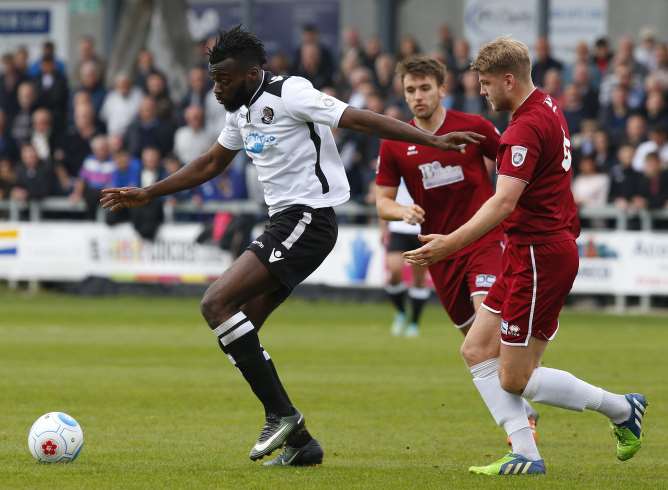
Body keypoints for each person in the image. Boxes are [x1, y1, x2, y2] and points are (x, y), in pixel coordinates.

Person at [100, 26, 483, 467]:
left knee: (215, 303)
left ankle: (281, 414)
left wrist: (431, 140)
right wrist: (150, 192)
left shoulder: (291, 92)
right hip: (286, 222)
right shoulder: (240, 112)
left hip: (309, 218)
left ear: (250, 73)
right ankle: (300, 441)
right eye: (213, 78)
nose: (217, 87)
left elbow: (355, 117)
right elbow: (211, 162)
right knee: (238, 328)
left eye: (223, 78)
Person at [404, 37, 647, 476]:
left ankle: (620, 409)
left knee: (515, 377)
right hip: (528, 252)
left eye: (486, 82)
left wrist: (449, 244)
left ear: (508, 79)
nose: (482, 91)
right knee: (477, 349)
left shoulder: (523, 129)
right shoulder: (546, 105)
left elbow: (502, 204)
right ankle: (526, 455)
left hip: (539, 256)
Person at [376, 55, 539, 437]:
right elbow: (381, 200)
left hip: (484, 240)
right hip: (441, 252)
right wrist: (402, 210)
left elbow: (512, 165)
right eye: (410, 90)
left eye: (425, 88)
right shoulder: (397, 143)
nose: (418, 97)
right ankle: (525, 406)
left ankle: (523, 427)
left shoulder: (474, 127)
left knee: (488, 336)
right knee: (478, 348)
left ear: (441, 89)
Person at [382, 179, 429, 337]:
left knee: (419, 279)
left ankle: (414, 323)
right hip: (398, 227)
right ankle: (401, 311)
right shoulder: (394, 164)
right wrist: (383, 228)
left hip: (421, 229)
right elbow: (384, 198)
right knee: (394, 272)